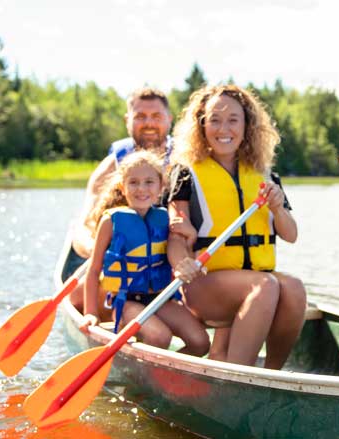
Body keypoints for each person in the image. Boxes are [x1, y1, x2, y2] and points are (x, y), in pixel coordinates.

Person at [167, 84, 307, 368]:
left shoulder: (265, 175)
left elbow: (290, 234)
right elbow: (176, 232)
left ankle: (272, 375)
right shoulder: (186, 173)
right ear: (202, 124)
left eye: (233, 119)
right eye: (214, 119)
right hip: (205, 284)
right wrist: (181, 262)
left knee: (293, 288)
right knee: (265, 285)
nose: (224, 128)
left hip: (254, 281)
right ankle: (240, 376)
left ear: (247, 125)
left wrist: (278, 208)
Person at [80, 150, 209, 356]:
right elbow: (94, 270)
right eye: (133, 182)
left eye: (149, 182)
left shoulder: (165, 219)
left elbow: (183, 258)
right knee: (160, 337)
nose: (141, 189)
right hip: (127, 302)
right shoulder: (110, 221)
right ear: (123, 188)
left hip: (161, 298)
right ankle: (145, 379)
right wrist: (90, 313)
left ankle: (167, 375)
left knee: (201, 342)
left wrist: (191, 237)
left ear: (161, 187)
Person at [69, 87, 178, 316]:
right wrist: (103, 253)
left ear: (169, 119)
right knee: (77, 297)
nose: (149, 123)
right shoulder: (111, 167)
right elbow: (81, 231)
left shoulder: (185, 162)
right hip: (122, 272)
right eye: (140, 116)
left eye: (156, 116)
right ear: (127, 120)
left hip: (168, 269)